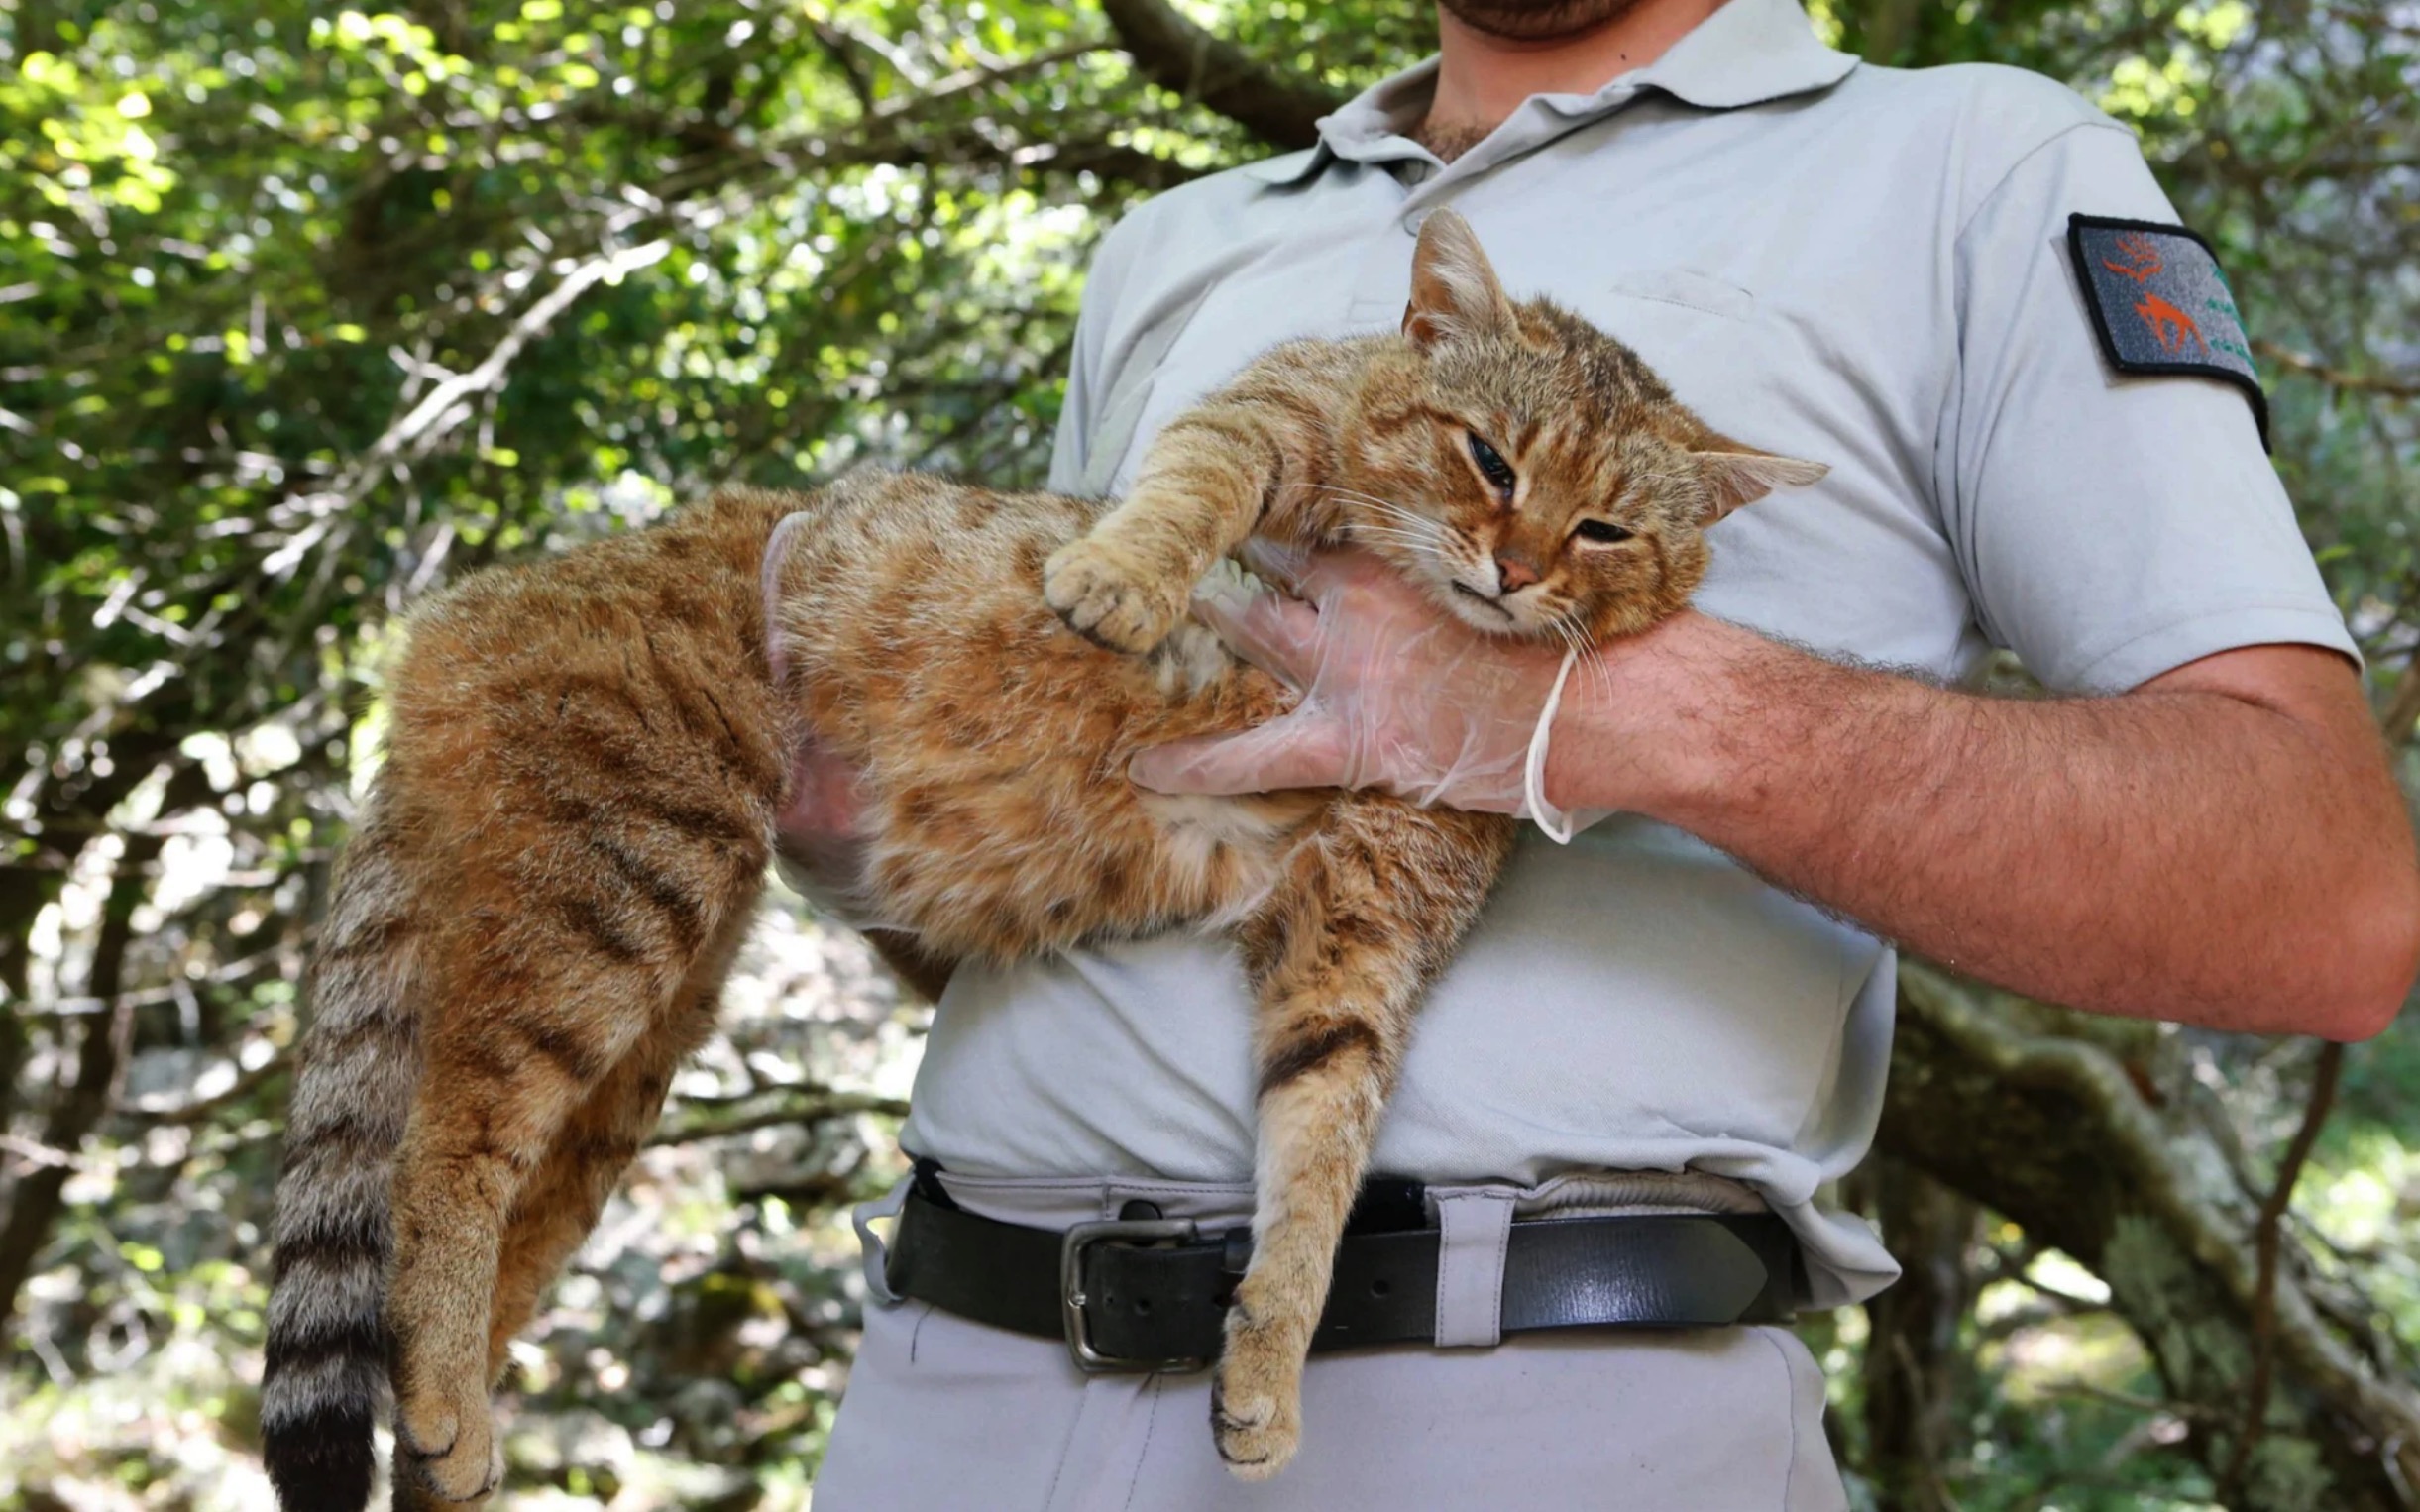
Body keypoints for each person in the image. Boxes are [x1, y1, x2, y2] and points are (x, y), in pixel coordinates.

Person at [806, 1, 2420, 1506]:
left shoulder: (1972, 167)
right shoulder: (1175, 241)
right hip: (949, 1376)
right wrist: (844, 807)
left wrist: (1598, 715)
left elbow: (2323, 898)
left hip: (1528, 1401)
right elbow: (1069, 860)